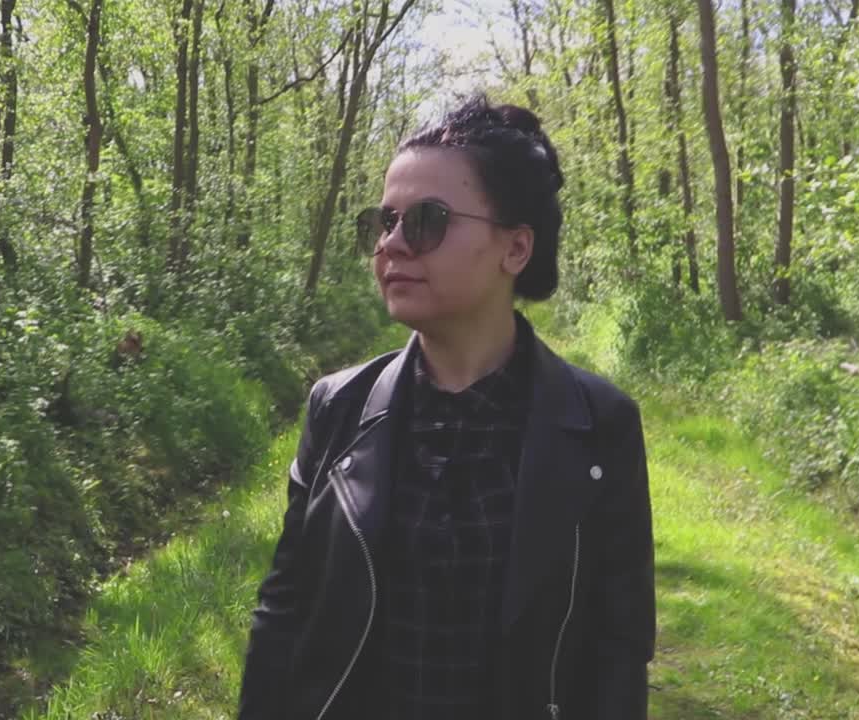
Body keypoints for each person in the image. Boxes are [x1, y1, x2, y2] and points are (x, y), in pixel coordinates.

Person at [237, 95, 655, 720]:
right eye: (383, 221)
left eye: (427, 221)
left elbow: (617, 650)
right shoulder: (338, 408)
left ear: (515, 249)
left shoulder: (599, 424)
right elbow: (285, 613)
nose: (392, 245)